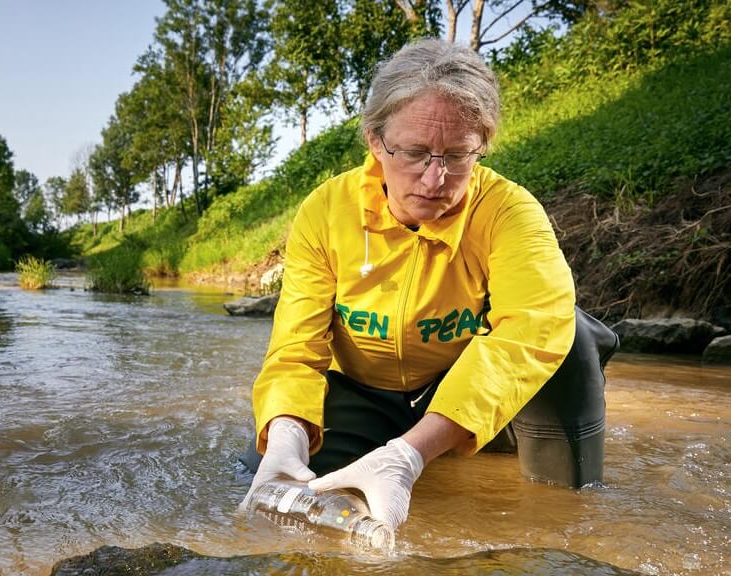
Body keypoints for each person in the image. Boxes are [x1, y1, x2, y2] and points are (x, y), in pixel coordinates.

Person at [240, 38, 617, 530]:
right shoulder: (326, 212)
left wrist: (410, 456)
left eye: (458, 155)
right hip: (363, 392)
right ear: (376, 142)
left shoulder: (510, 212)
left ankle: (570, 509)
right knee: (260, 479)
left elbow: (531, 328)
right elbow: (296, 349)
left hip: (474, 393)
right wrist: (287, 434)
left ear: (481, 146)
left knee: (570, 337)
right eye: (415, 153)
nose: (435, 179)